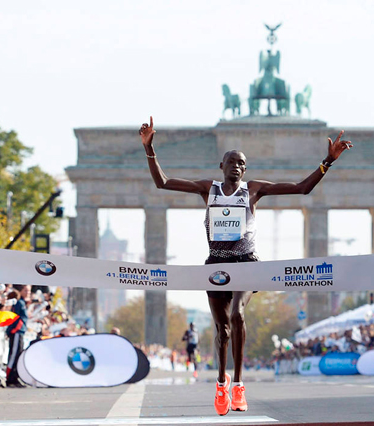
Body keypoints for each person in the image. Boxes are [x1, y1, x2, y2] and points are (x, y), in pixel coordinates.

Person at [139, 116, 352, 415]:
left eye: (241, 163)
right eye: (231, 162)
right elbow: (162, 182)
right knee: (222, 330)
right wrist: (150, 148)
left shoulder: (253, 190)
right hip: (216, 263)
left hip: (247, 263)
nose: (236, 167)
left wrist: (327, 161)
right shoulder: (207, 189)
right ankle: (221, 384)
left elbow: (302, 188)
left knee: (237, 315)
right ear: (221, 167)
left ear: (245, 170)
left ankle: (238, 384)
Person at [5, 284, 31, 387]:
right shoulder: (18, 303)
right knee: (14, 354)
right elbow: (15, 318)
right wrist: (14, 330)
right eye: (26, 290)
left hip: (20, 332)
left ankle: (15, 377)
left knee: (18, 355)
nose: (28, 293)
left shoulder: (23, 302)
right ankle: (9, 378)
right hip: (16, 332)